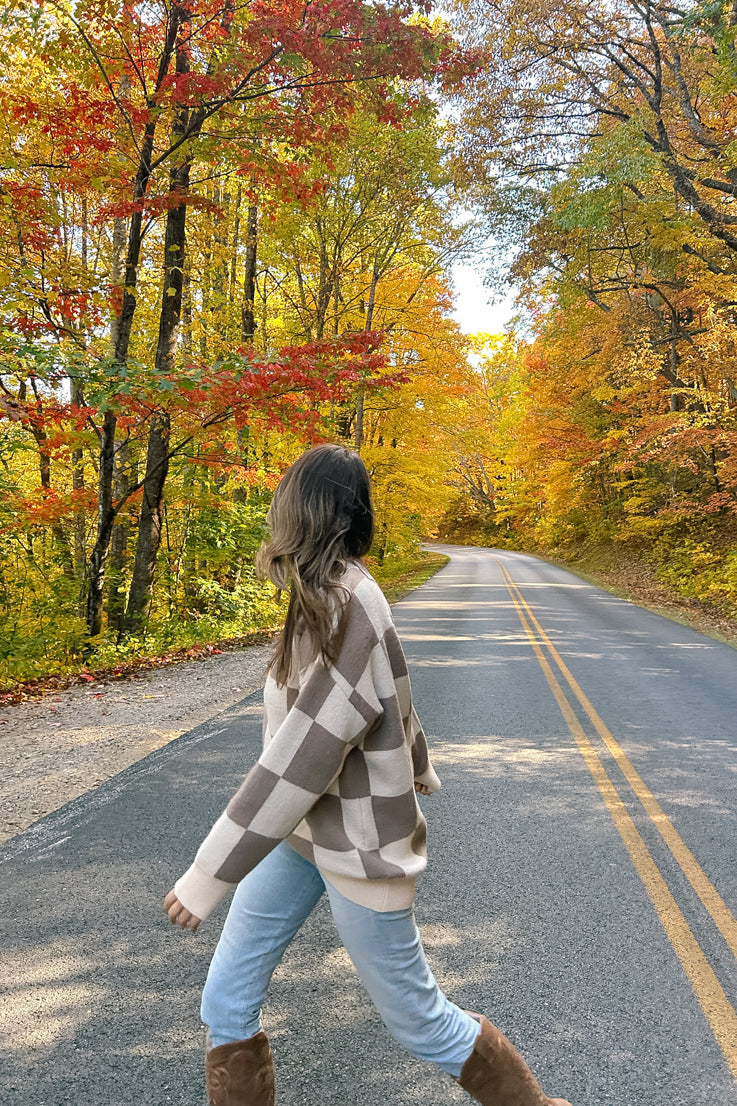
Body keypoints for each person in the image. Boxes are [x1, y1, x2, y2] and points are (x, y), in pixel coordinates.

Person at [164, 443, 572, 1106]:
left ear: (302, 511)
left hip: (354, 845)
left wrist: (209, 873)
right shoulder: (325, 594)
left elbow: (297, 760)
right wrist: (416, 765)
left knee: (421, 1021)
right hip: (302, 835)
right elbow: (393, 696)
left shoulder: (346, 606)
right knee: (226, 999)